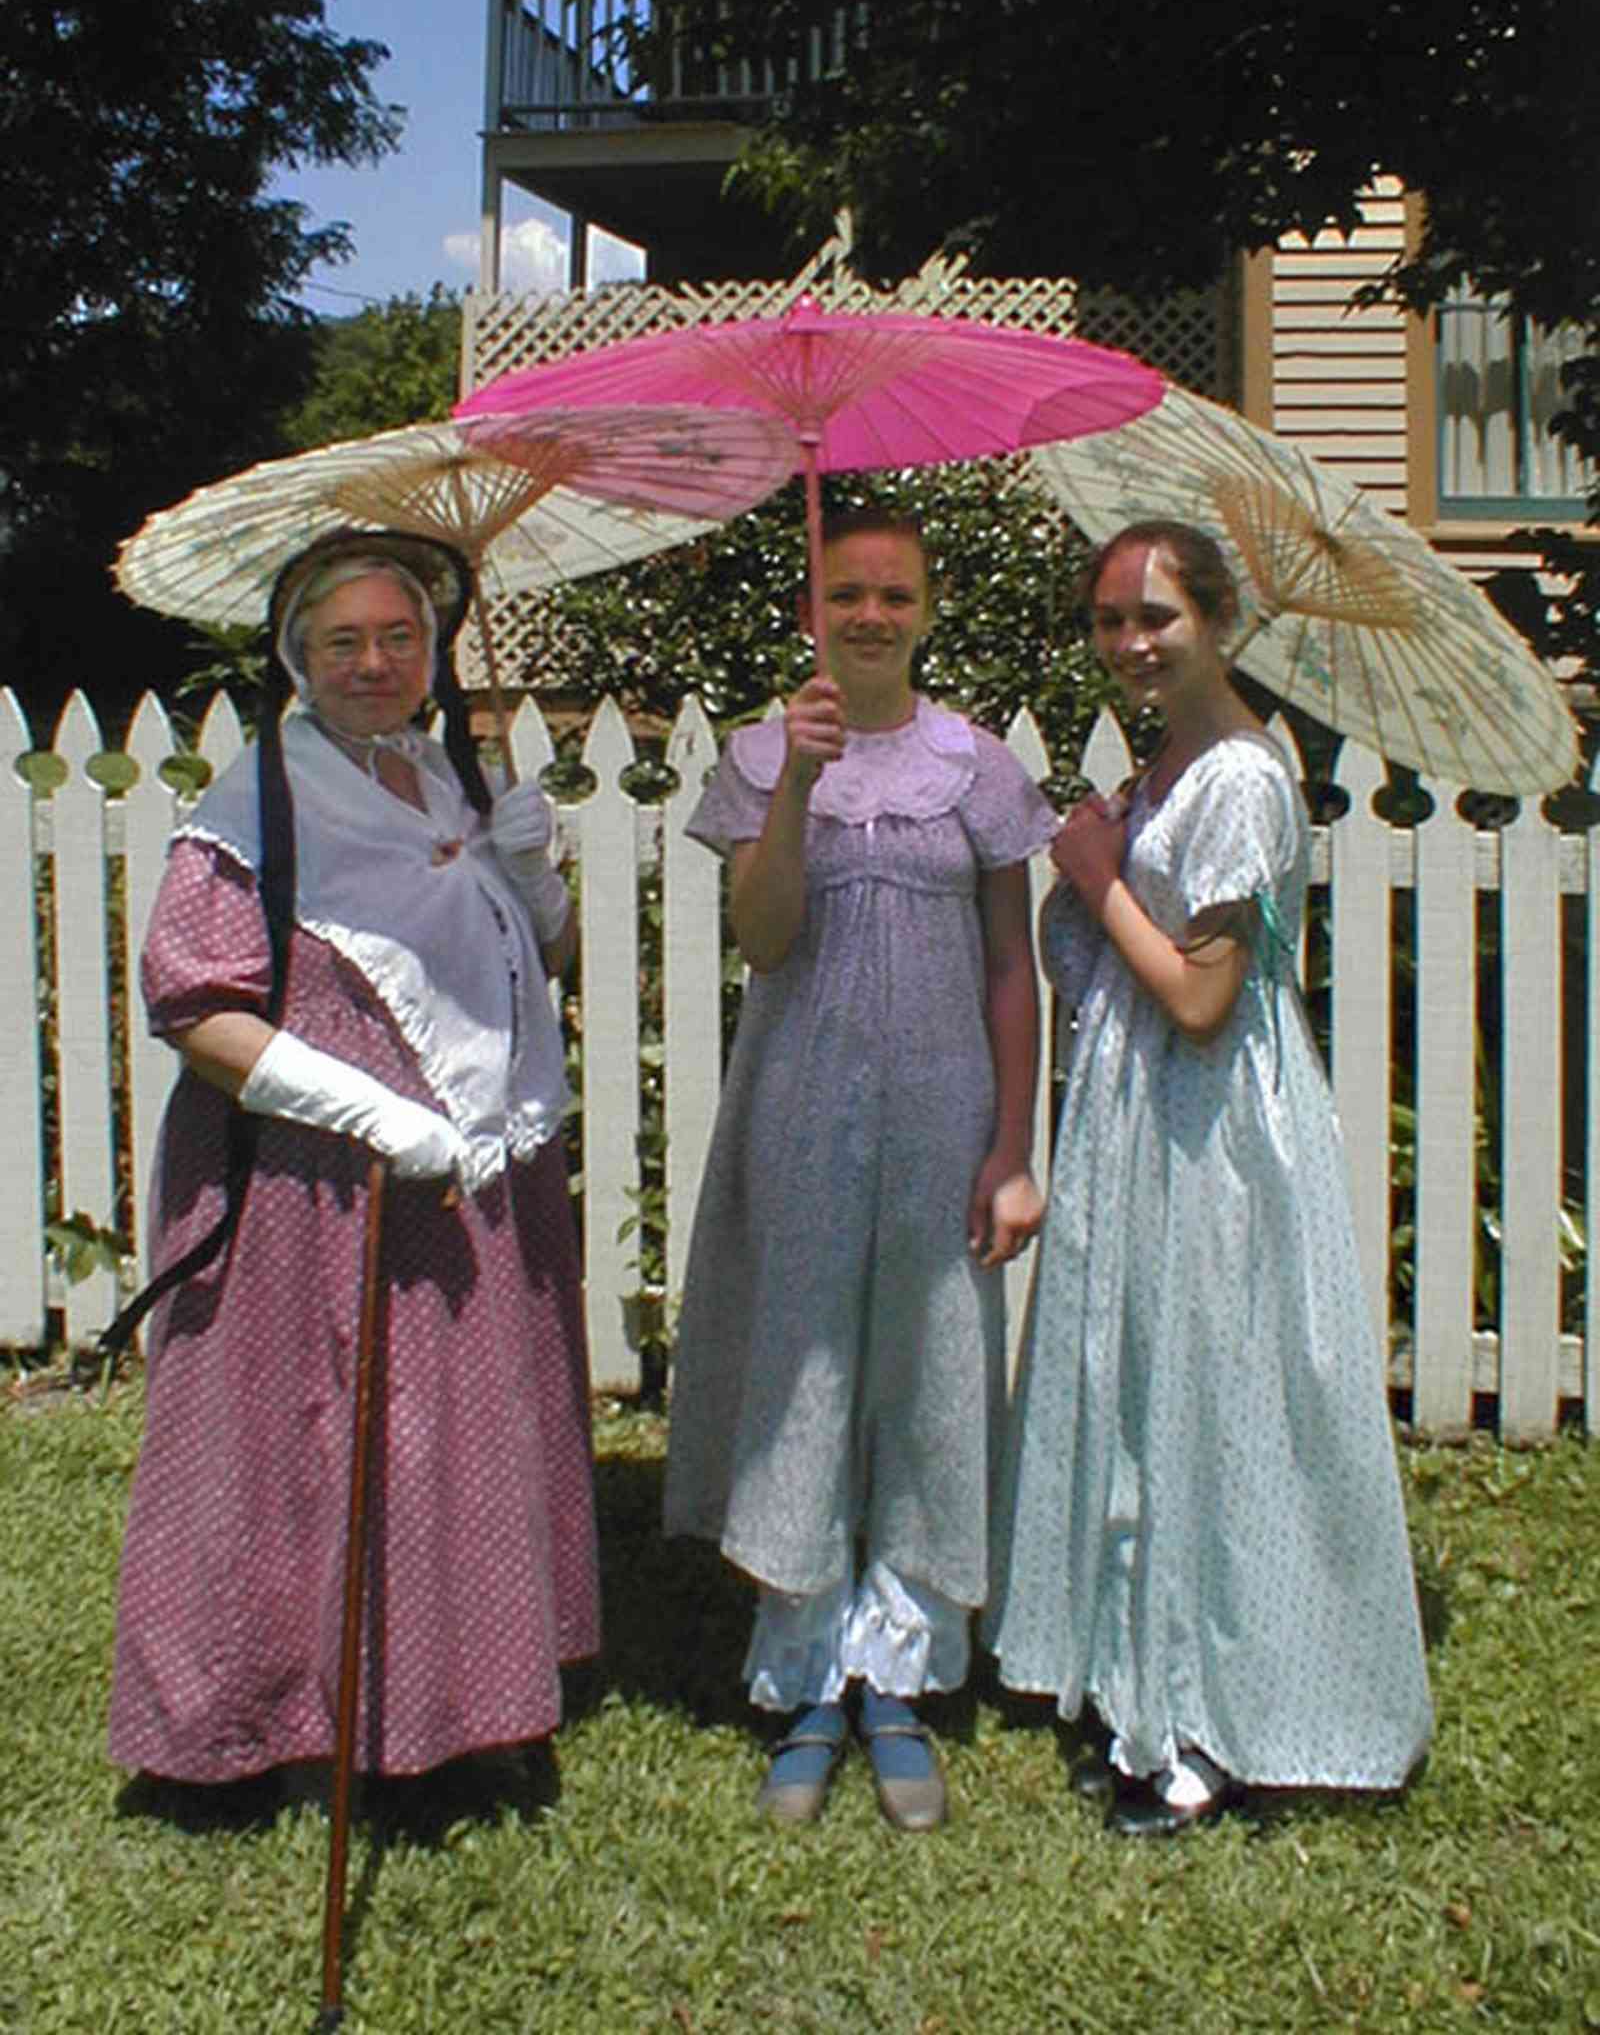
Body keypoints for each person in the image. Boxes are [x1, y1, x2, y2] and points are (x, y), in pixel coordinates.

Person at [108, 528, 600, 1793]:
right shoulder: (257, 804)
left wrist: (536, 874)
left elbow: (532, 967)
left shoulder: (446, 778)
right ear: (295, 657)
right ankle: (272, 1723)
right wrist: (366, 1109)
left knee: (455, 1443)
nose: (375, 663)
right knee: (311, 1440)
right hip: (313, 1189)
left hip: (472, 1166)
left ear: (432, 651)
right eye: (344, 642)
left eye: (399, 637)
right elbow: (191, 1003)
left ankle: (467, 1704)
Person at [986, 520, 1432, 1834]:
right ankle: (1144, 1674)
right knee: (1144, 1389)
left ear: (1221, 623)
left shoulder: (1244, 775)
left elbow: (1194, 993)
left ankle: (1215, 1718)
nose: (1132, 641)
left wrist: (1093, 876)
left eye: (1159, 617)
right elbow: (1112, 969)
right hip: (1141, 1115)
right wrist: (1104, 861)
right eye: (1112, 618)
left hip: (1216, 1127)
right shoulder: (1167, 759)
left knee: (1219, 1393)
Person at [663, 508, 1059, 1831]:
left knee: (927, 1373)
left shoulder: (980, 768)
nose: (872, 615)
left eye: (896, 595)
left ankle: (898, 1675)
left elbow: (1015, 969)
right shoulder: (760, 754)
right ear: (811, 612)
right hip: (801, 1107)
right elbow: (764, 939)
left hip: (945, 1115)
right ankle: (806, 1676)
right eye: (848, 593)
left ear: (930, 612)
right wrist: (795, 785)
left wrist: (1011, 1147)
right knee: (804, 1372)